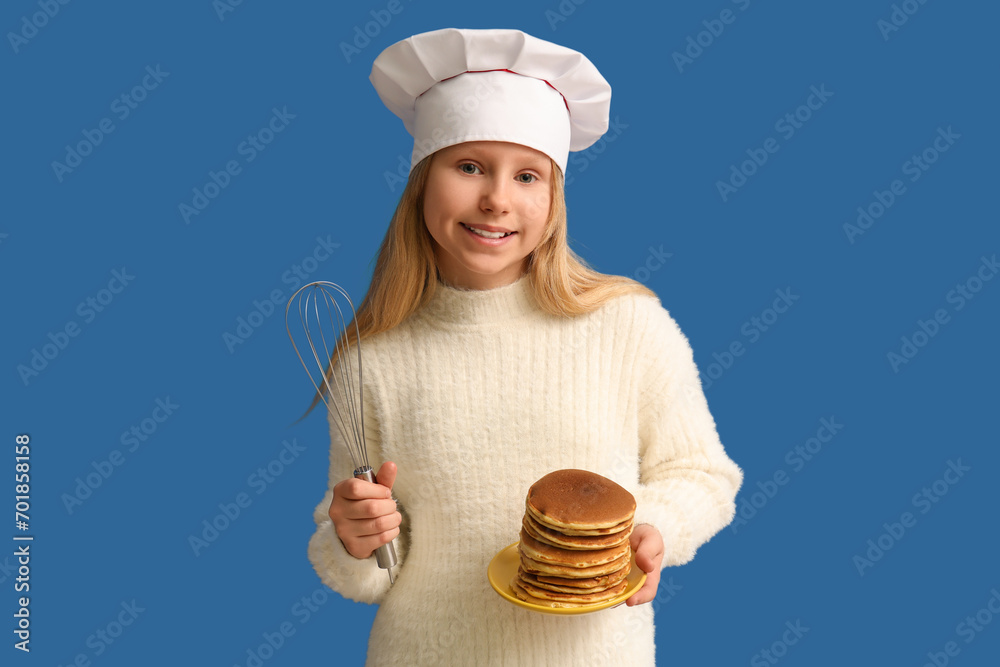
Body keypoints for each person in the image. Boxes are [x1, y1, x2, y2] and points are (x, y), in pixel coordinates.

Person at [307, 28, 743, 666]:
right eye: (470, 166)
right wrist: (351, 538)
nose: (498, 200)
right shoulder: (373, 359)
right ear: (423, 181)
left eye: (528, 175)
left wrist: (650, 529)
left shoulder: (628, 326)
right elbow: (371, 571)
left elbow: (703, 475)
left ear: (553, 198)